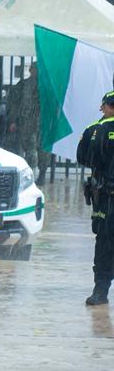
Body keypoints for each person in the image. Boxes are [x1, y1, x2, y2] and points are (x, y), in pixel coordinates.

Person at [77, 90, 114, 306]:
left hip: (104, 198)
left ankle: (101, 290)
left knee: (104, 244)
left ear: (104, 107)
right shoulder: (96, 130)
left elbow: (83, 158)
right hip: (105, 195)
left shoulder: (93, 130)